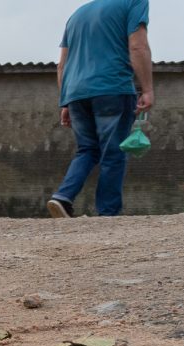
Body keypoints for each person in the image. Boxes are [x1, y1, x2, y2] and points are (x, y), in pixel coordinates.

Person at [48, 0, 153, 218]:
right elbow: (137, 46)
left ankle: (62, 197)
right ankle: (108, 214)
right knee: (113, 151)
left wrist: (65, 101)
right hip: (112, 88)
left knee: (87, 149)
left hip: (76, 92)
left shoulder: (77, 14)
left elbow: (62, 65)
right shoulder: (134, 2)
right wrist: (147, 89)